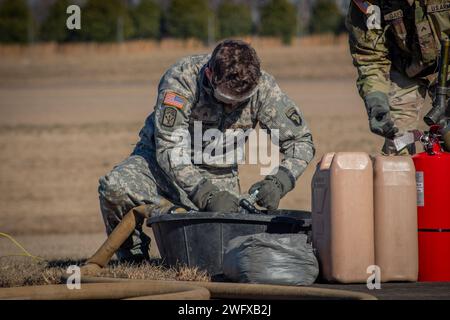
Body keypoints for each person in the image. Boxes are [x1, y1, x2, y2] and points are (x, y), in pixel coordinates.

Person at [97, 40, 315, 262]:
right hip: (157, 167)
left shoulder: (264, 88)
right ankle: (132, 257)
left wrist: (279, 181)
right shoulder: (182, 79)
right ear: (211, 75)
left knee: (220, 255)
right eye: (226, 99)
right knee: (115, 187)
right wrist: (205, 194)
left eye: (241, 102)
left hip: (218, 174)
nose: (231, 107)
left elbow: (301, 141)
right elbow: (170, 147)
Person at [347, 0, 449, 155]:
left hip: (447, 65)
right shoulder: (370, 2)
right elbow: (369, 55)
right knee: (396, 145)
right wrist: (376, 101)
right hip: (406, 68)